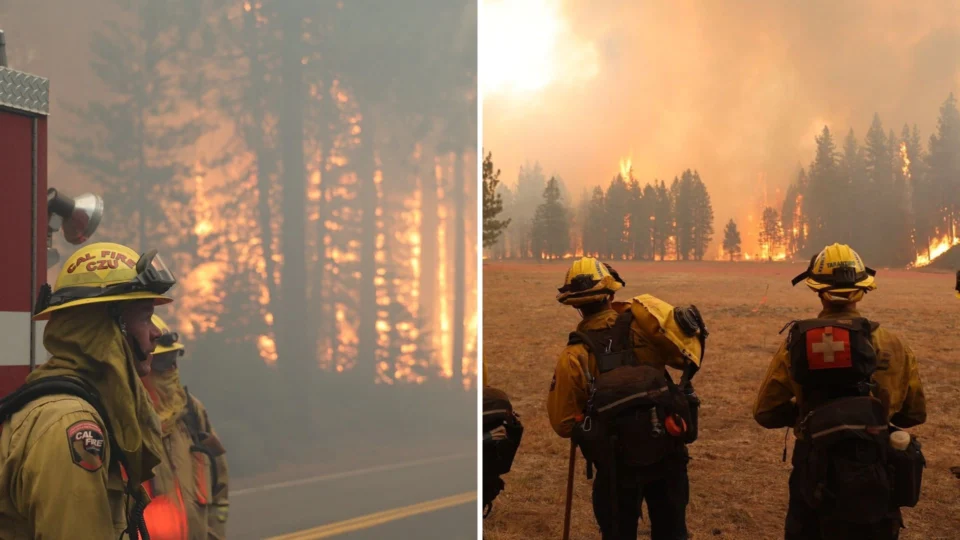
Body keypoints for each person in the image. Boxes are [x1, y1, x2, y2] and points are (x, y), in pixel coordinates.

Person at [0, 242, 176, 538]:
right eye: (145, 317)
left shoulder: (84, 408)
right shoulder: (71, 424)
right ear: (108, 327)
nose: (157, 331)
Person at [754, 243, 927, 540]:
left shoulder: (798, 343)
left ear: (817, 290)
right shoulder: (894, 344)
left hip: (814, 468)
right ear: (863, 289)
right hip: (876, 466)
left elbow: (766, 412)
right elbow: (915, 413)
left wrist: (811, 417)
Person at [547, 257, 706, 540]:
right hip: (667, 452)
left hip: (615, 466)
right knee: (672, 532)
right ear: (611, 294)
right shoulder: (646, 329)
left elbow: (563, 423)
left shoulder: (574, 356)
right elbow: (683, 358)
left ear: (575, 305)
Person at [141, 314, 229, 540]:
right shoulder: (126, 421)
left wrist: (214, 534)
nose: (171, 368)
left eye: (173, 359)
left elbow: (219, 481)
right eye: (162, 362)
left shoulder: (192, 411)